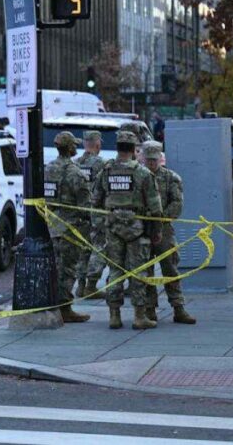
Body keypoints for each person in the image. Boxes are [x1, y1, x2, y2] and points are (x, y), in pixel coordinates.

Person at [92, 131, 163, 330]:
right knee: (138, 271)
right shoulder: (142, 173)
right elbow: (156, 208)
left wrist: (102, 223)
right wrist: (156, 230)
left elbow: (95, 200)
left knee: (115, 270)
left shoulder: (106, 171)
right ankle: (139, 316)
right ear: (134, 150)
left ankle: (114, 315)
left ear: (117, 148)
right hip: (137, 228)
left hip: (112, 227)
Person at [141, 141, 196, 324]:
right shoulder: (138, 176)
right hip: (141, 229)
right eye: (148, 160)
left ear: (160, 159)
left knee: (170, 268)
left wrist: (161, 219)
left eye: (154, 160)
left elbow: (177, 203)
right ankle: (149, 309)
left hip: (163, 229)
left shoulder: (171, 177)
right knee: (145, 271)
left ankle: (178, 307)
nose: (151, 163)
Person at [43, 131, 92, 323]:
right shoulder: (75, 172)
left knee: (55, 267)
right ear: (70, 148)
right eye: (74, 145)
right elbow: (84, 206)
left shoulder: (48, 168)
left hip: (52, 224)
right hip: (70, 228)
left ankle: (55, 303)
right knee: (68, 269)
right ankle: (65, 308)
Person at [74, 130, 107, 298]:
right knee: (99, 248)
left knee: (83, 248)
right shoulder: (101, 163)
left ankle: (80, 285)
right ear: (98, 144)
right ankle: (91, 285)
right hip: (97, 213)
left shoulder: (75, 163)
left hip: (79, 213)